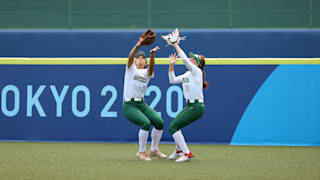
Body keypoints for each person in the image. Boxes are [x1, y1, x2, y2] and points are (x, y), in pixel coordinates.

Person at [165, 29, 208, 162]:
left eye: (193, 59)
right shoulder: (187, 74)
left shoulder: (197, 72)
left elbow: (183, 59)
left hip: (196, 107)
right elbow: (172, 80)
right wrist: (171, 65)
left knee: (173, 127)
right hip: (190, 106)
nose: (190, 59)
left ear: (197, 64)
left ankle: (187, 153)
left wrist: (175, 44)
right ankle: (178, 150)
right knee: (176, 126)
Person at [122, 31, 167, 161]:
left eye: (143, 58)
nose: (140, 58)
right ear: (135, 62)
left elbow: (151, 68)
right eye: (139, 58)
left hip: (141, 104)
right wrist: (139, 44)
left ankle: (154, 149)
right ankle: (141, 152)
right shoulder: (131, 69)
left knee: (159, 122)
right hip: (130, 105)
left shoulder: (147, 73)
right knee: (145, 123)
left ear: (145, 62)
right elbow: (130, 56)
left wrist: (152, 55)